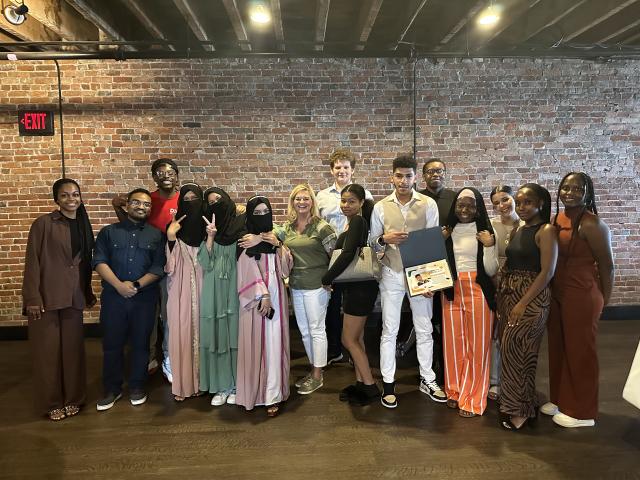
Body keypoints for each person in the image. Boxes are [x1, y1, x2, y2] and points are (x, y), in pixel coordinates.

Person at [369, 155, 446, 409]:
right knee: (389, 330)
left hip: (420, 274)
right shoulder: (380, 207)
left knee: (424, 328)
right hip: (391, 273)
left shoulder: (428, 204)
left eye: (408, 175)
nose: (403, 180)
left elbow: (434, 242)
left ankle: (427, 379)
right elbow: (372, 243)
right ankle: (389, 383)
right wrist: (384, 238)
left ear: (415, 177)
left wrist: (433, 281)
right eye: (399, 175)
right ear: (392, 177)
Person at [542, 172, 614, 428]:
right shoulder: (557, 218)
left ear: (587, 193)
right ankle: (561, 399)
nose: (569, 192)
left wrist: (603, 300)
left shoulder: (593, 224)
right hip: (559, 292)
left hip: (582, 294)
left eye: (576, 188)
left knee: (580, 353)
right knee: (559, 348)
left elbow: (607, 266)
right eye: (565, 187)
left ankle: (582, 412)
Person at [22, 178, 96, 421]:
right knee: (47, 354)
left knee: (73, 352)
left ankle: (74, 398)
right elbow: (32, 260)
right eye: (65, 195)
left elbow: (83, 265)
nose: (71, 199)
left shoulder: (84, 227)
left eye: (75, 194)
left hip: (73, 297)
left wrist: (87, 293)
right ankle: (52, 401)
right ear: (56, 199)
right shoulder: (43, 223)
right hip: (46, 298)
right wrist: (32, 297)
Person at [93, 188, 165, 411]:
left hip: (144, 298)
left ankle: (137, 385)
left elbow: (158, 267)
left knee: (141, 344)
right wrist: (119, 286)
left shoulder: (156, 235)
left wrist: (135, 285)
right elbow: (99, 261)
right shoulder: (108, 232)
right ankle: (112, 389)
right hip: (114, 297)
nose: (141, 207)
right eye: (136, 203)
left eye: (146, 204)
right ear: (127, 205)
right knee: (112, 344)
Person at [111, 158, 179, 382]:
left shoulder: (185, 199)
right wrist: (116, 206)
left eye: (170, 172)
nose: (165, 176)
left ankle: (170, 356)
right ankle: (150, 356)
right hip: (149, 265)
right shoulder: (148, 200)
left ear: (177, 175)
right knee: (148, 313)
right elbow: (133, 225)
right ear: (153, 177)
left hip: (176, 264)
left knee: (171, 315)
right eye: (159, 173)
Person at [497, 183, 558, 430]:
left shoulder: (546, 230)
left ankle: (521, 412)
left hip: (532, 298)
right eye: (519, 203)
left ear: (540, 204)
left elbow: (548, 271)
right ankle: (523, 401)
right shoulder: (519, 229)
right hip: (509, 294)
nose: (521, 207)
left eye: (527, 203)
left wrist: (522, 303)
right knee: (510, 352)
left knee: (520, 351)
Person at [396, 159, 457, 380]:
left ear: (445, 172)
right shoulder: (417, 199)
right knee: (427, 319)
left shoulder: (454, 197)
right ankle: (430, 366)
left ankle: (448, 364)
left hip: (450, 261)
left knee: (447, 317)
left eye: (439, 170)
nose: (435, 174)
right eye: (430, 171)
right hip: (423, 265)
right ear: (422, 176)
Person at [442, 187, 498, 417]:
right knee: (453, 344)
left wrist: (489, 245)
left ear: (478, 208)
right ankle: (454, 391)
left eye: (470, 206)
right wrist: (439, 242)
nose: (465, 210)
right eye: (460, 205)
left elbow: (492, 269)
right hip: (452, 290)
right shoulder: (447, 231)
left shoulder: (484, 231)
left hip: (477, 289)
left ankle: (473, 397)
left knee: (478, 345)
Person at [322, 184, 380, 405]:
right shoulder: (353, 223)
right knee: (357, 338)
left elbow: (347, 255)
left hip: (360, 289)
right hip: (356, 287)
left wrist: (327, 278)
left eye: (351, 201)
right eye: (343, 201)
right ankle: (360, 382)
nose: (346, 205)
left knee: (348, 339)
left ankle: (370, 387)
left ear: (361, 203)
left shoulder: (358, 221)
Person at [236, 196, 293, 416]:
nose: (261, 217)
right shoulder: (244, 240)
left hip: (277, 296)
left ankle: (273, 394)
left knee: (274, 345)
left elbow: (287, 268)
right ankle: (254, 393)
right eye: (256, 214)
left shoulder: (273, 239)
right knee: (256, 344)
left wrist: (276, 244)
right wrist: (263, 295)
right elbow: (244, 268)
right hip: (255, 302)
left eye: (265, 212)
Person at [316, 148, 374, 364]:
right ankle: (335, 350)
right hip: (331, 257)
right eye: (337, 167)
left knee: (353, 307)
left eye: (346, 167)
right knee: (332, 305)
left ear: (352, 170)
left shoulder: (365, 195)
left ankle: (354, 351)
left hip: (353, 259)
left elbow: (372, 227)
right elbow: (317, 223)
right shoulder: (321, 196)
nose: (342, 170)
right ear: (332, 170)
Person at [278, 184, 336, 395]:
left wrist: (330, 280)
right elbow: (272, 236)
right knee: (304, 332)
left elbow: (335, 256)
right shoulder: (288, 227)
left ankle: (318, 375)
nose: (301, 202)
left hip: (317, 285)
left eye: (306, 199)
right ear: (292, 202)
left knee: (316, 329)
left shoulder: (322, 227)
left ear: (312, 202)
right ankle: (314, 371)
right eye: (297, 199)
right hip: (296, 284)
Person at [199, 187, 245, 406]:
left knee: (236, 337)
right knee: (218, 337)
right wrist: (210, 236)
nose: (215, 203)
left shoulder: (242, 226)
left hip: (236, 289)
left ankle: (238, 384)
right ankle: (221, 385)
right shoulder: (208, 230)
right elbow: (206, 264)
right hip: (214, 291)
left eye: (218, 199)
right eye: (210, 202)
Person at [165, 183, 205, 402]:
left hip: (206, 291)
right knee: (181, 335)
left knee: (204, 335)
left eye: (195, 199)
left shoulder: (210, 230)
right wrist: (171, 238)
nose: (191, 204)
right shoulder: (174, 231)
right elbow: (169, 268)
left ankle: (204, 383)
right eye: (186, 200)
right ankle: (184, 385)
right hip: (180, 293)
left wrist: (210, 237)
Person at [488, 185, 523, 401]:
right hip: (497, 282)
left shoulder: (527, 224)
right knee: (496, 334)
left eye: (505, 200)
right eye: (496, 203)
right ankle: (495, 381)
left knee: (517, 333)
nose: (501, 206)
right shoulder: (491, 226)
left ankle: (515, 380)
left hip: (520, 282)